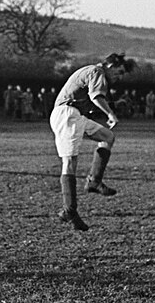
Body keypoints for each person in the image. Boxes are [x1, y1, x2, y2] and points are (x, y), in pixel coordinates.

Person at [49, 52, 135, 231]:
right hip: (66, 114)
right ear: (110, 66)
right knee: (69, 162)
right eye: (118, 73)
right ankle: (69, 210)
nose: (118, 78)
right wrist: (111, 113)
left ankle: (94, 181)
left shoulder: (96, 74)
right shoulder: (97, 72)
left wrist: (115, 104)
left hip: (75, 115)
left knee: (108, 137)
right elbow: (96, 97)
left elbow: (95, 100)